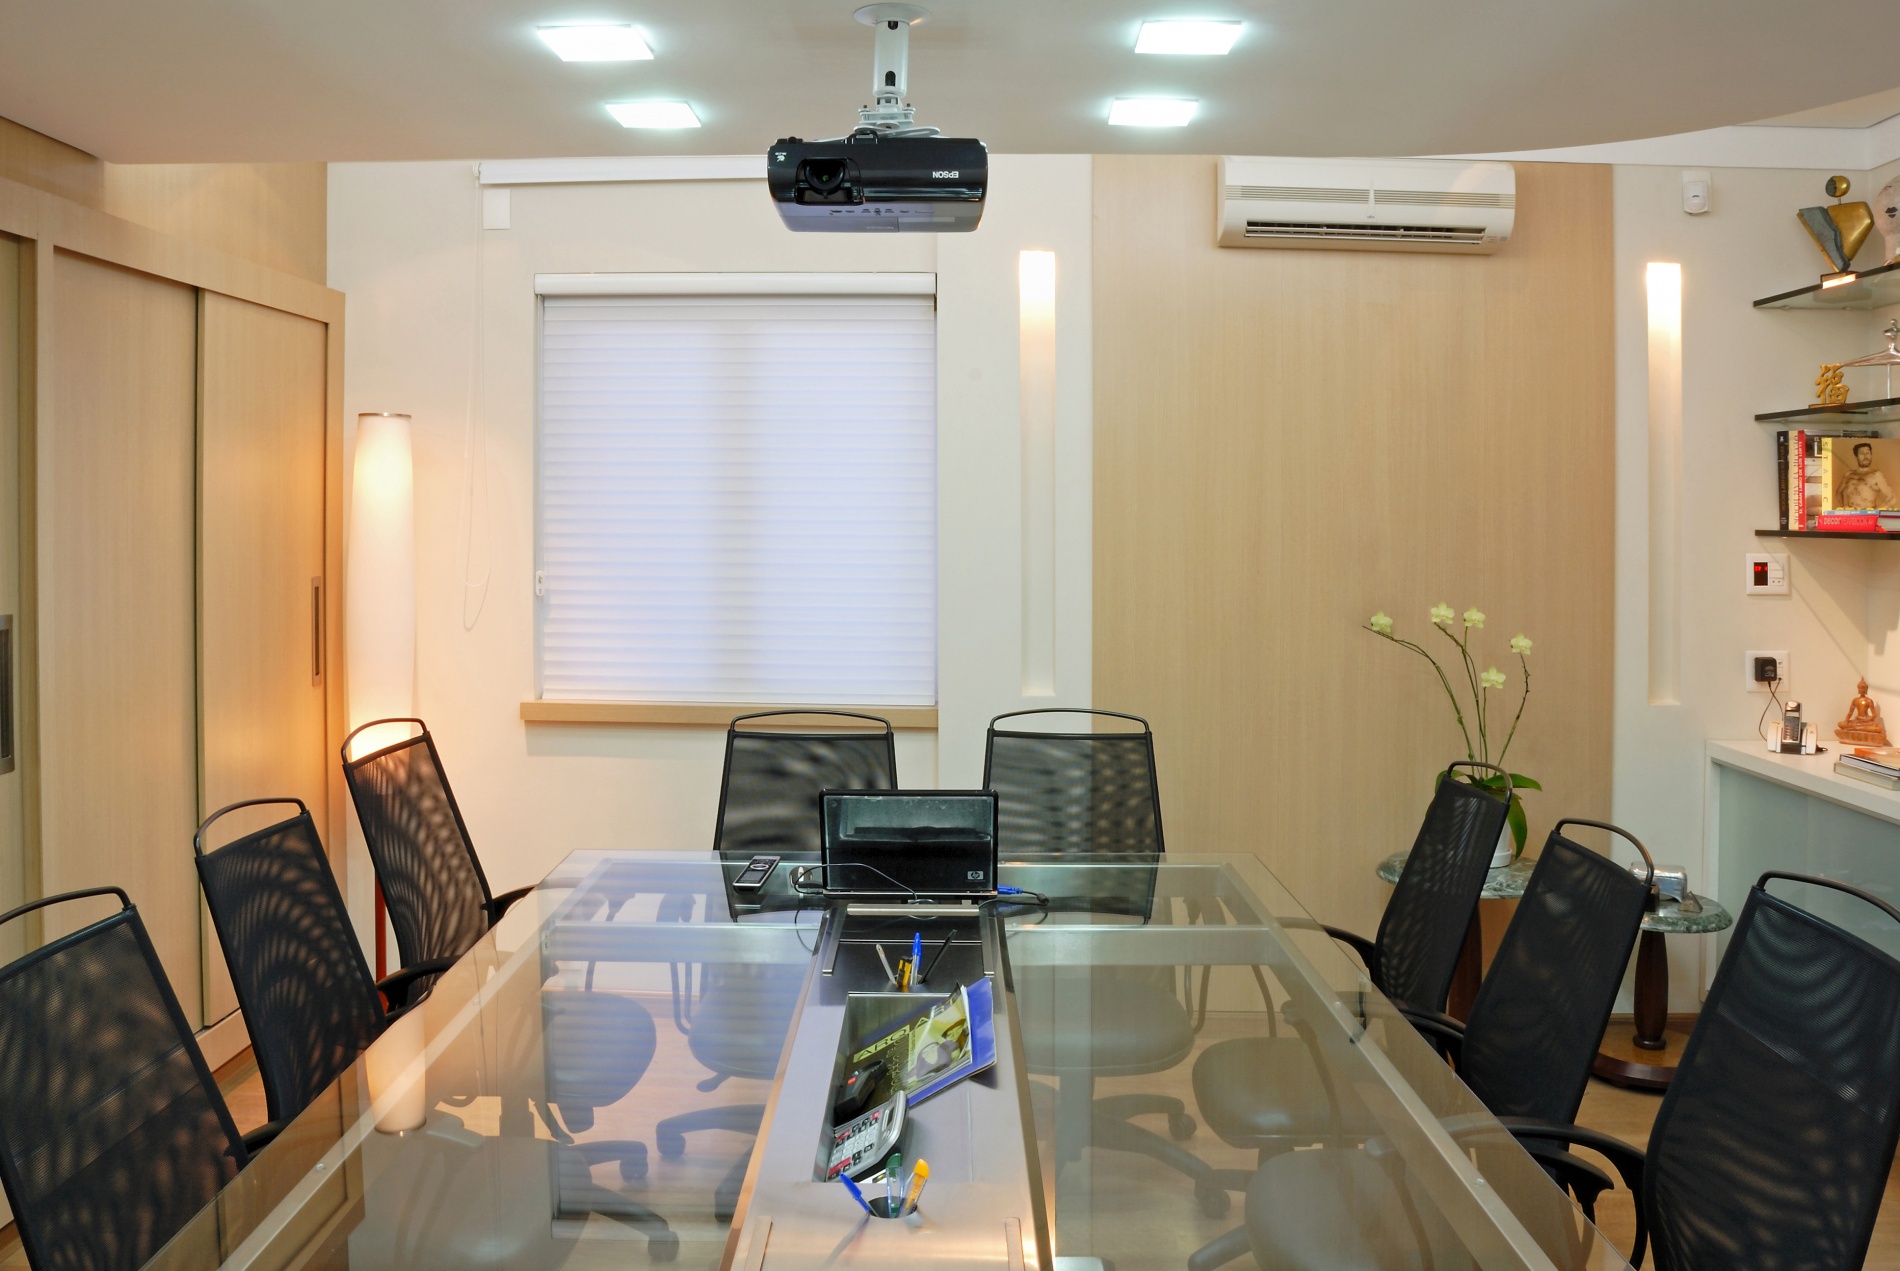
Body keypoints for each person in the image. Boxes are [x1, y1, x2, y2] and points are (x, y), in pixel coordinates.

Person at [1838, 441, 1897, 509]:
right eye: (1862, 453)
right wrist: (1843, 507)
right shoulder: (1848, 474)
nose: (1865, 456)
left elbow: (1892, 497)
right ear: (1856, 457)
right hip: (1852, 513)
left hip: (1868, 513)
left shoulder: (1876, 475)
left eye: (1867, 453)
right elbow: (1838, 492)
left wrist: (1877, 510)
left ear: (1871, 455)